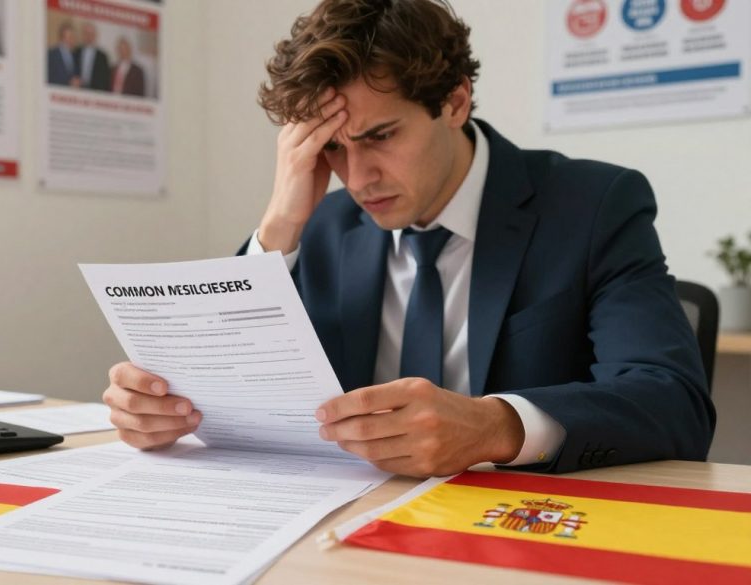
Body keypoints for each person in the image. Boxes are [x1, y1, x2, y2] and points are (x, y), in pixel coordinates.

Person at [102, 0, 715, 476]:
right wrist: (278, 227)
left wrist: (493, 426)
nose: (358, 178)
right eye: (332, 148)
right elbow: (236, 395)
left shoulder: (593, 206)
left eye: (380, 136)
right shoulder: (320, 226)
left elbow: (674, 403)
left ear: (455, 101)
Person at [75, 21, 112, 92]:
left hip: (95, 93)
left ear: (95, 36)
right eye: (86, 33)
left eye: (91, 34)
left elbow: (105, 80)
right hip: (77, 92)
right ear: (83, 35)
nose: (89, 37)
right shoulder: (76, 52)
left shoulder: (102, 56)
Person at [47, 22, 80, 87]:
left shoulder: (75, 56)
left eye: (73, 37)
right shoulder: (51, 54)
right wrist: (68, 83)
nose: (73, 40)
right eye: (70, 37)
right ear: (62, 38)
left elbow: (75, 75)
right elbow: (49, 79)